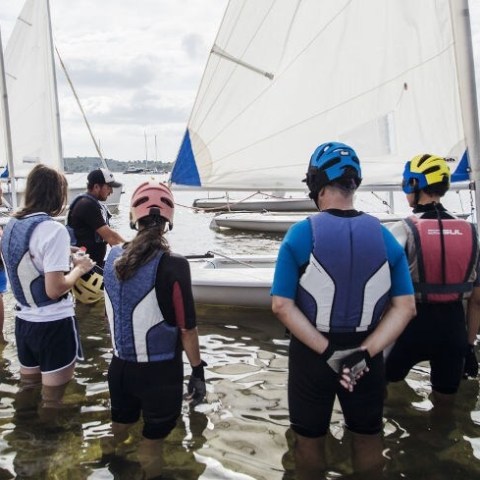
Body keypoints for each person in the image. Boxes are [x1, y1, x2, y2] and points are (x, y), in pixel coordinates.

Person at [271, 142, 416, 478]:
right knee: (367, 438)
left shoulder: (300, 234)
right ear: (355, 184)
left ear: (316, 183)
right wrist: (363, 353)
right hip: (366, 358)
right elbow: (405, 308)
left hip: (313, 356)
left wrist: (330, 352)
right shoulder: (385, 237)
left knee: (309, 442)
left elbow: (281, 305)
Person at [103, 181, 206, 474]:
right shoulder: (174, 265)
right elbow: (187, 329)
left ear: (134, 217)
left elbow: (109, 314)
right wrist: (197, 371)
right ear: (168, 221)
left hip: (119, 370)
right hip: (159, 375)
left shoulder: (111, 257)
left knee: (118, 432)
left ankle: (106, 469)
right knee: (151, 446)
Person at [386, 154, 480, 407]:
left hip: (410, 330)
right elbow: (477, 302)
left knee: (385, 398)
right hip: (453, 333)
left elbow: (380, 288)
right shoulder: (471, 232)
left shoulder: (403, 230)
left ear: (415, 185)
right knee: (446, 411)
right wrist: (469, 347)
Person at [0, 164, 94, 409]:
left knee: (28, 388)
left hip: (24, 323)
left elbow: (29, 257)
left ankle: (23, 436)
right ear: (58, 194)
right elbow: (55, 289)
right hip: (53, 325)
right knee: (53, 398)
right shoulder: (54, 230)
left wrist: (64, 252)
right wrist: (79, 268)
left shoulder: (11, 225)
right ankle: (48, 443)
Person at [67, 167, 124, 267]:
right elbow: (110, 236)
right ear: (96, 187)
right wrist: (135, 252)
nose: (111, 191)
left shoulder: (94, 204)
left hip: (93, 265)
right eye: (109, 187)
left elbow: (111, 239)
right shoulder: (86, 204)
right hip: (84, 269)